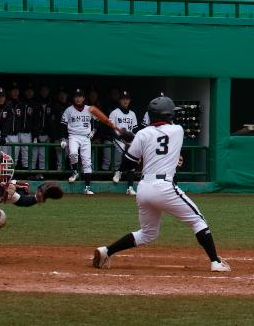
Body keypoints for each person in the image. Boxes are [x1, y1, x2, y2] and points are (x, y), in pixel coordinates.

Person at [91, 95, 229, 272]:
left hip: (144, 189)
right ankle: (215, 262)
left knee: (148, 234)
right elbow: (158, 138)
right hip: (164, 187)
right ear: (168, 115)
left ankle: (107, 251)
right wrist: (132, 138)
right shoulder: (178, 130)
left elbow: (128, 164)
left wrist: (130, 141)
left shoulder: (142, 134)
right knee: (198, 220)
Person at [61, 88, 128, 195]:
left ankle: (87, 187)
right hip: (73, 136)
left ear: (83, 98)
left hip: (86, 137)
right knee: (73, 153)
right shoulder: (69, 110)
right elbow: (63, 124)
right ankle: (75, 172)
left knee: (87, 162)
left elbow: (99, 121)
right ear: (74, 98)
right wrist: (64, 138)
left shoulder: (89, 109)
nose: (78, 99)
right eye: (76, 97)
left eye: (80, 97)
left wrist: (94, 131)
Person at [109, 90, 139, 194]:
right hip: (118, 139)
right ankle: (120, 174)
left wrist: (133, 140)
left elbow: (135, 130)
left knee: (133, 159)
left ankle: (129, 187)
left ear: (129, 100)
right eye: (123, 99)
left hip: (130, 140)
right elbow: (111, 130)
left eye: (127, 99)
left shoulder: (132, 114)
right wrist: (122, 139)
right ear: (119, 100)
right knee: (128, 154)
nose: (125, 101)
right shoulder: (114, 113)